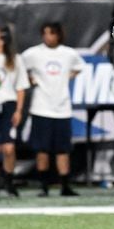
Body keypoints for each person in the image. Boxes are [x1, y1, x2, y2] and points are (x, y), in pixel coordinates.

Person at [22, 22, 85, 197]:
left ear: (58, 35)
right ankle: (44, 187)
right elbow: (20, 67)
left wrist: (66, 78)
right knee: (41, 150)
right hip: (41, 108)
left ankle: (65, 186)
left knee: (62, 150)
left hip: (62, 108)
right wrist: (30, 79)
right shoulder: (33, 53)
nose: (48, 37)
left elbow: (79, 67)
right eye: (45, 33)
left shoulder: (69, 54)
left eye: (51, 33)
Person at [0, 25, 30, 199]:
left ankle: (8, 180)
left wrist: (18, 110)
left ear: (2, 40)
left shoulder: (15, 60)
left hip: (8, 105)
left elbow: (21, 87)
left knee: (8, 147)